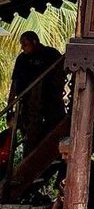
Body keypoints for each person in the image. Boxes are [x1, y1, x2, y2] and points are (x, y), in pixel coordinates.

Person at [5, 31, 65, 159]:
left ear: (34, 42)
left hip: (50, 101)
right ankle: (29, 157)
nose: (23, 48)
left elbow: (62, 70)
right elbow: (15, 82)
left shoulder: (50, 54)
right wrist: (10, 106)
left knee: (50, 127)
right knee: (29, 133)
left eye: (25, 44)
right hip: (27, 103)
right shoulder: (21, 59)